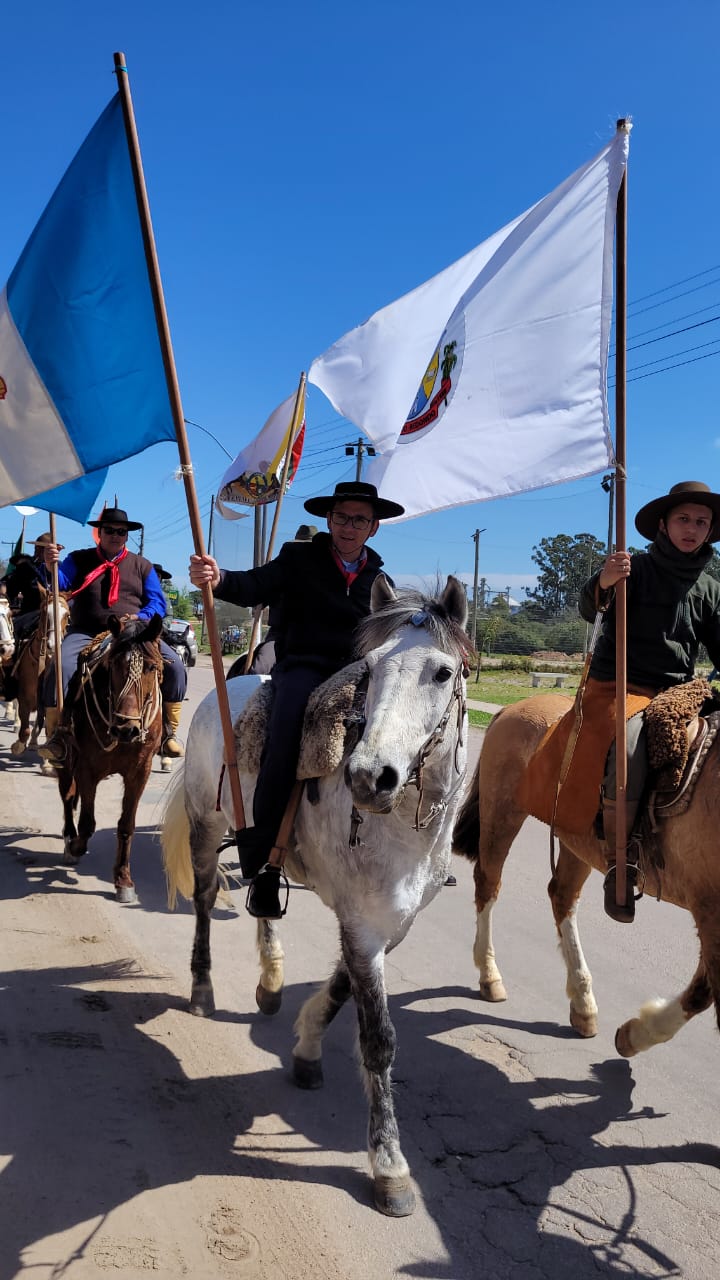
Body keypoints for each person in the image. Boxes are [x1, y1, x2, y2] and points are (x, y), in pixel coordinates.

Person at [190, 481, 403, 918]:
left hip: (357, 673)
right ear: (330, 520)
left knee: (396, 735)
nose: (349, 526)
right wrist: (219, 577)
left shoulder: (380, 580)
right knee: (284, 735)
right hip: (303, 668)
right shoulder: (299, 558)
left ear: (374, 527)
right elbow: (254, 585)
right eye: (342, 517)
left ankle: (410, 847)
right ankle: (264, 862)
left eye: (360, 520)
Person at [524, 480, 720, 925]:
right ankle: (620, 858)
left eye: (701, 522)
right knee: (630, 746)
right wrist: (604, 581)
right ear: (664, 526)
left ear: (709, 531)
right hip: (619, 685)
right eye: (684, 519)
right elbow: (590, 607)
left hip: (677, 691)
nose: (692, 528)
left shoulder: (709, 587)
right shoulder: (633, 568)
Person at [39, 505, 187, 764]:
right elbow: (58, 582)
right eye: (110, 530)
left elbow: (157, 603)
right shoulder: (79, 559)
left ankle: (168, 734)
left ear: (127, 536)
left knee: (174, 666)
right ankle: (58, 734)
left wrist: (139, 617)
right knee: (60, 665)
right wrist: (50, 564)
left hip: (133, 633)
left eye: (121, 531)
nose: (115, 535)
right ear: (100, 533)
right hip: (87, 631)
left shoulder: (142, 566)